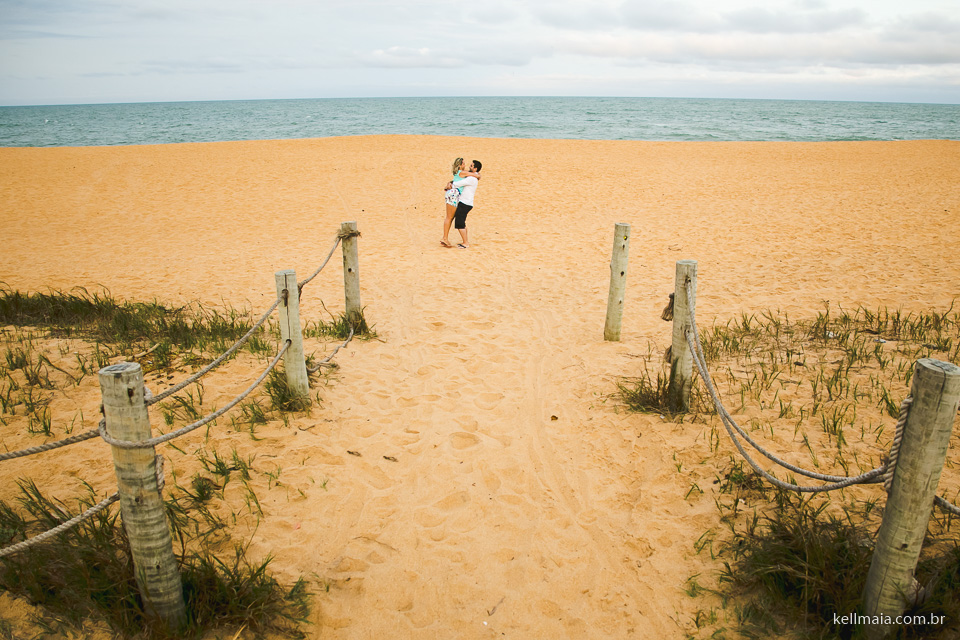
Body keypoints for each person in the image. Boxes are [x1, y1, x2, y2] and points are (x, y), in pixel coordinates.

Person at [441, 159, 482, 248]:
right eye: (464, 163)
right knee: (450, 218)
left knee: (452, 218)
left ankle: (447, 238)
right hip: (454, 195)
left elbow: (458, 181)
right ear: (460, 165)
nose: (466, 165)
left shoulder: (465, 174)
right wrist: (478, 175)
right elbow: (470, 176)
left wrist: (449, 183)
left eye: (471, 165)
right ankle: (446, 238)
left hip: (456, 196)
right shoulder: (464, 173)